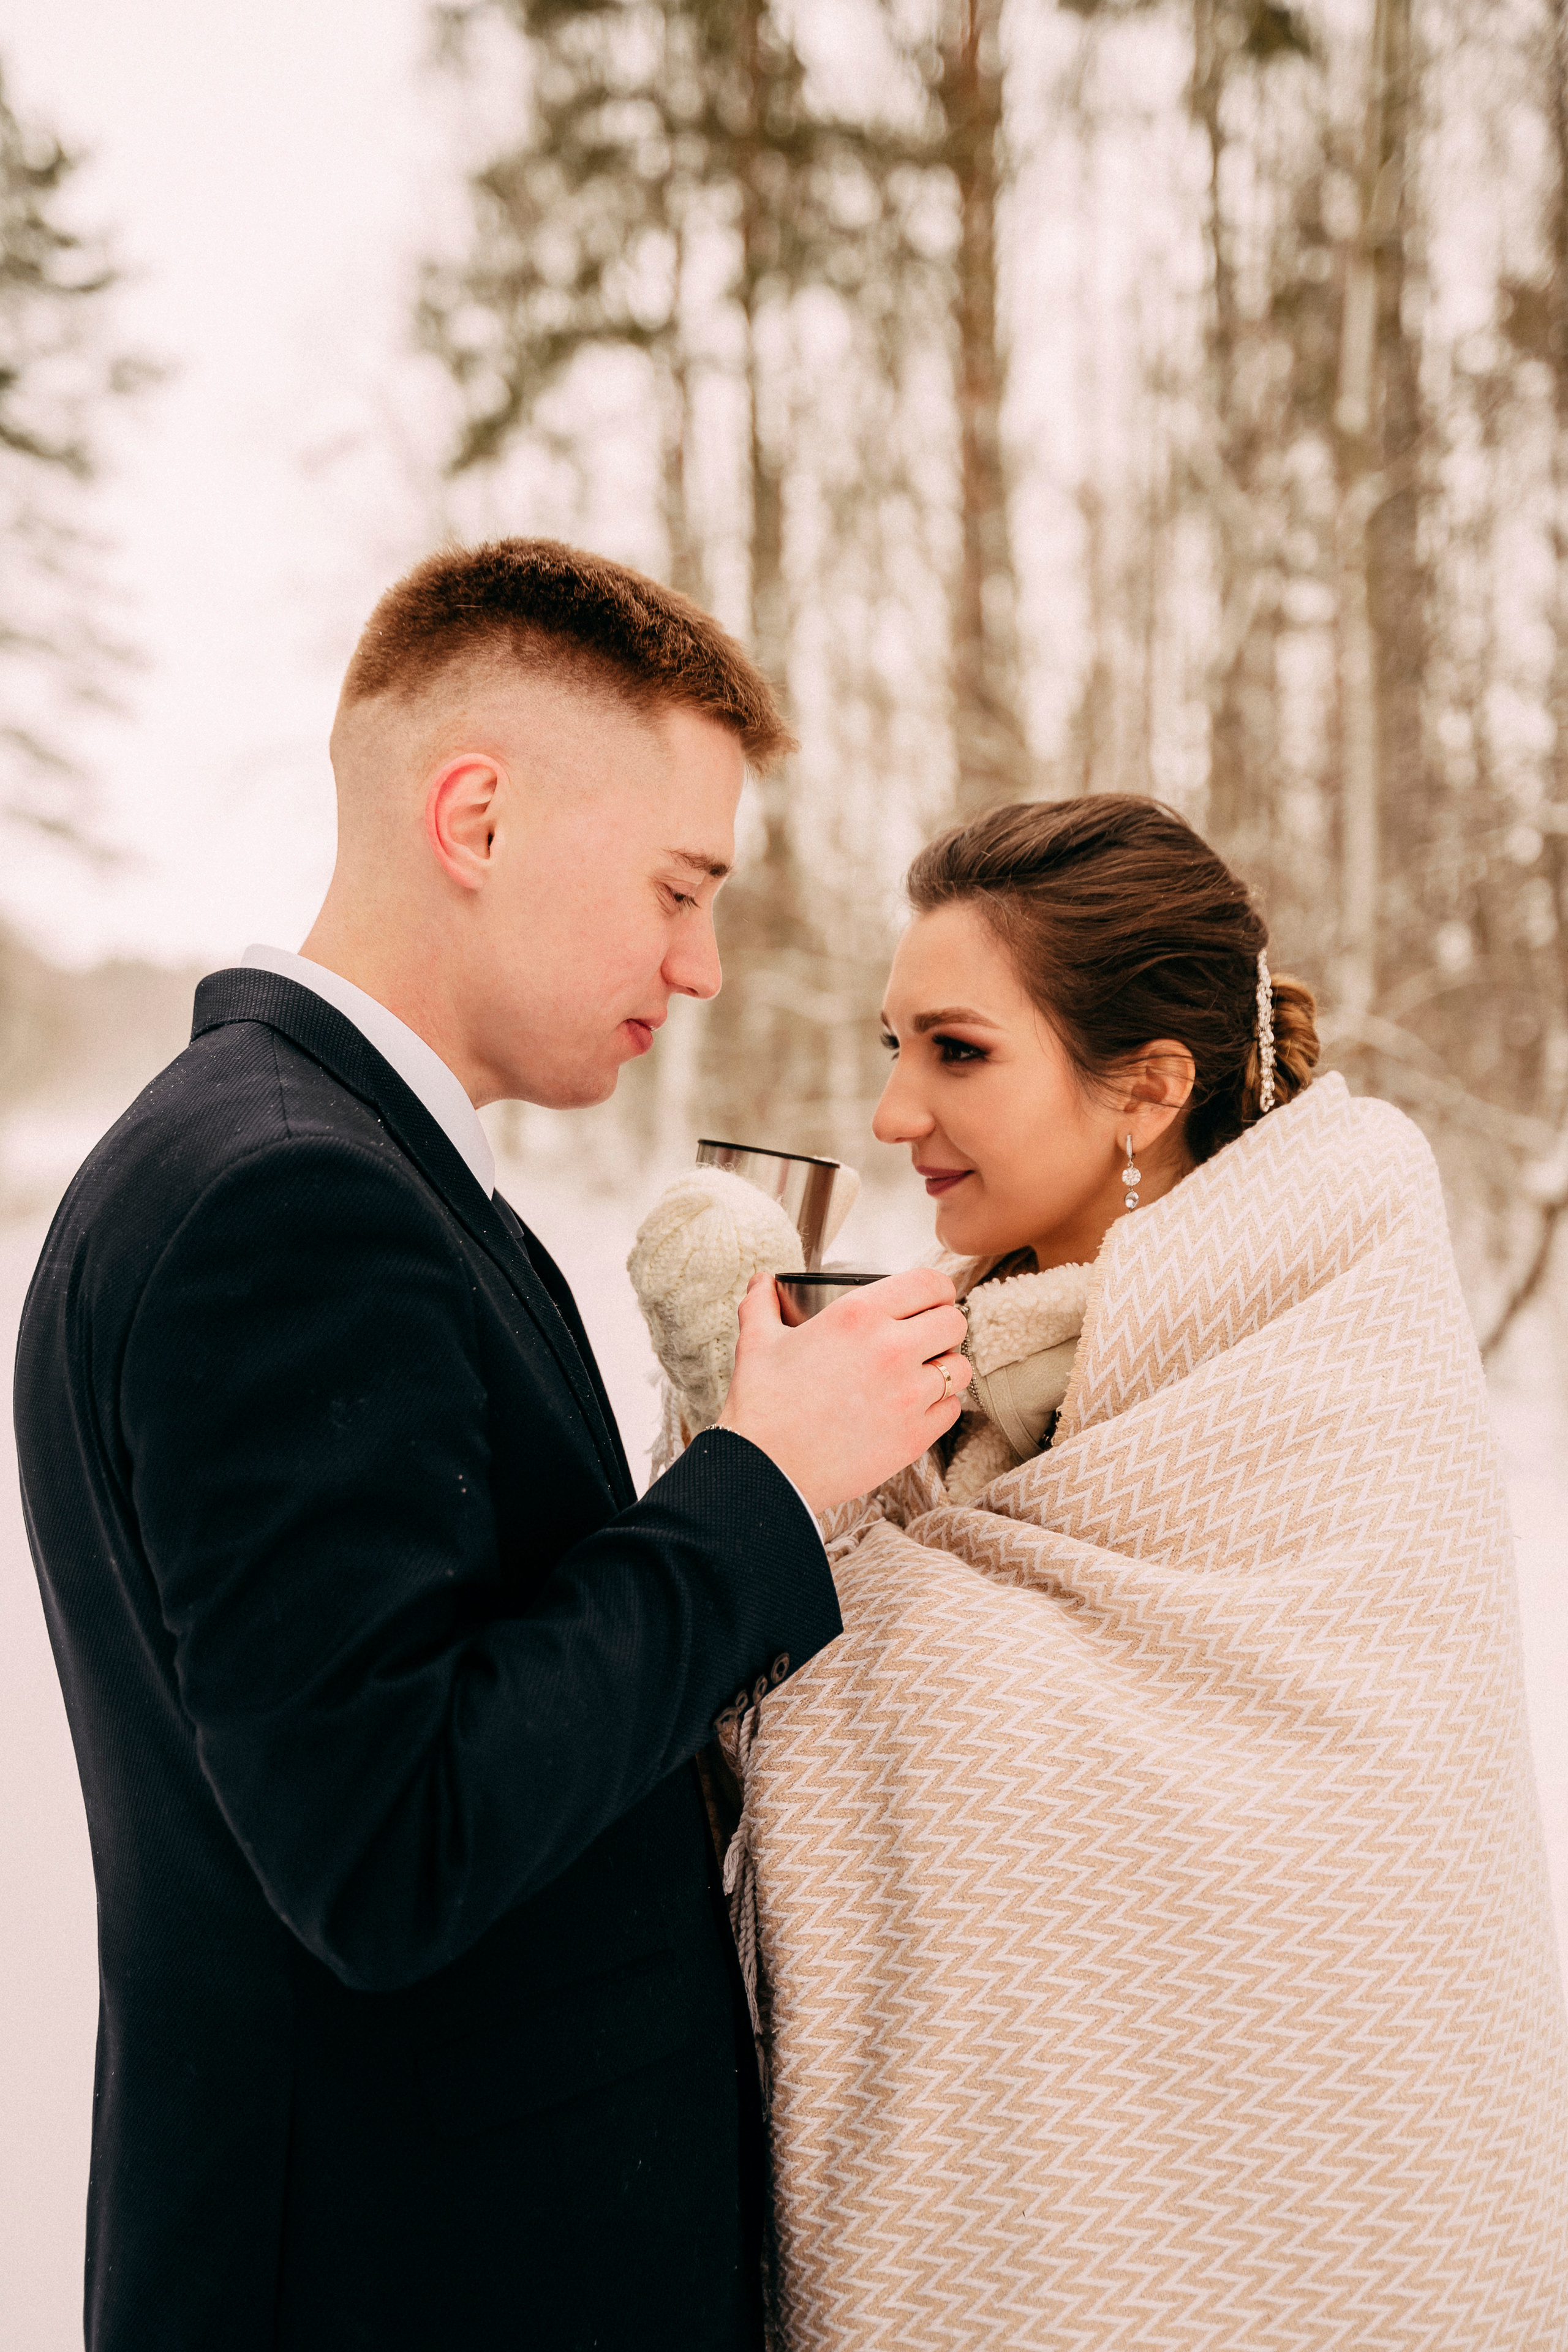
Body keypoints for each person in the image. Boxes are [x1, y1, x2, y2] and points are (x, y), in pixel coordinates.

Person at [12, 538, 973, 2352]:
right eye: (678, 888)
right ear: (476, 818)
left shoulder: (285, 1153)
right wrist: (763, 1485)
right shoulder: (295, 1204)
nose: (700, 967)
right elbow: (391, 1840)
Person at [646, 796, 1568, 2347]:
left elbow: (1220, 1824)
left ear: (1144, 1088)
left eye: (955, 1052)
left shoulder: (1319, 1364)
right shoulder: (944, 1367)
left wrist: (794, 1513)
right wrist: (758, 1445)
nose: (889, 1111)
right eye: (892, 1046)